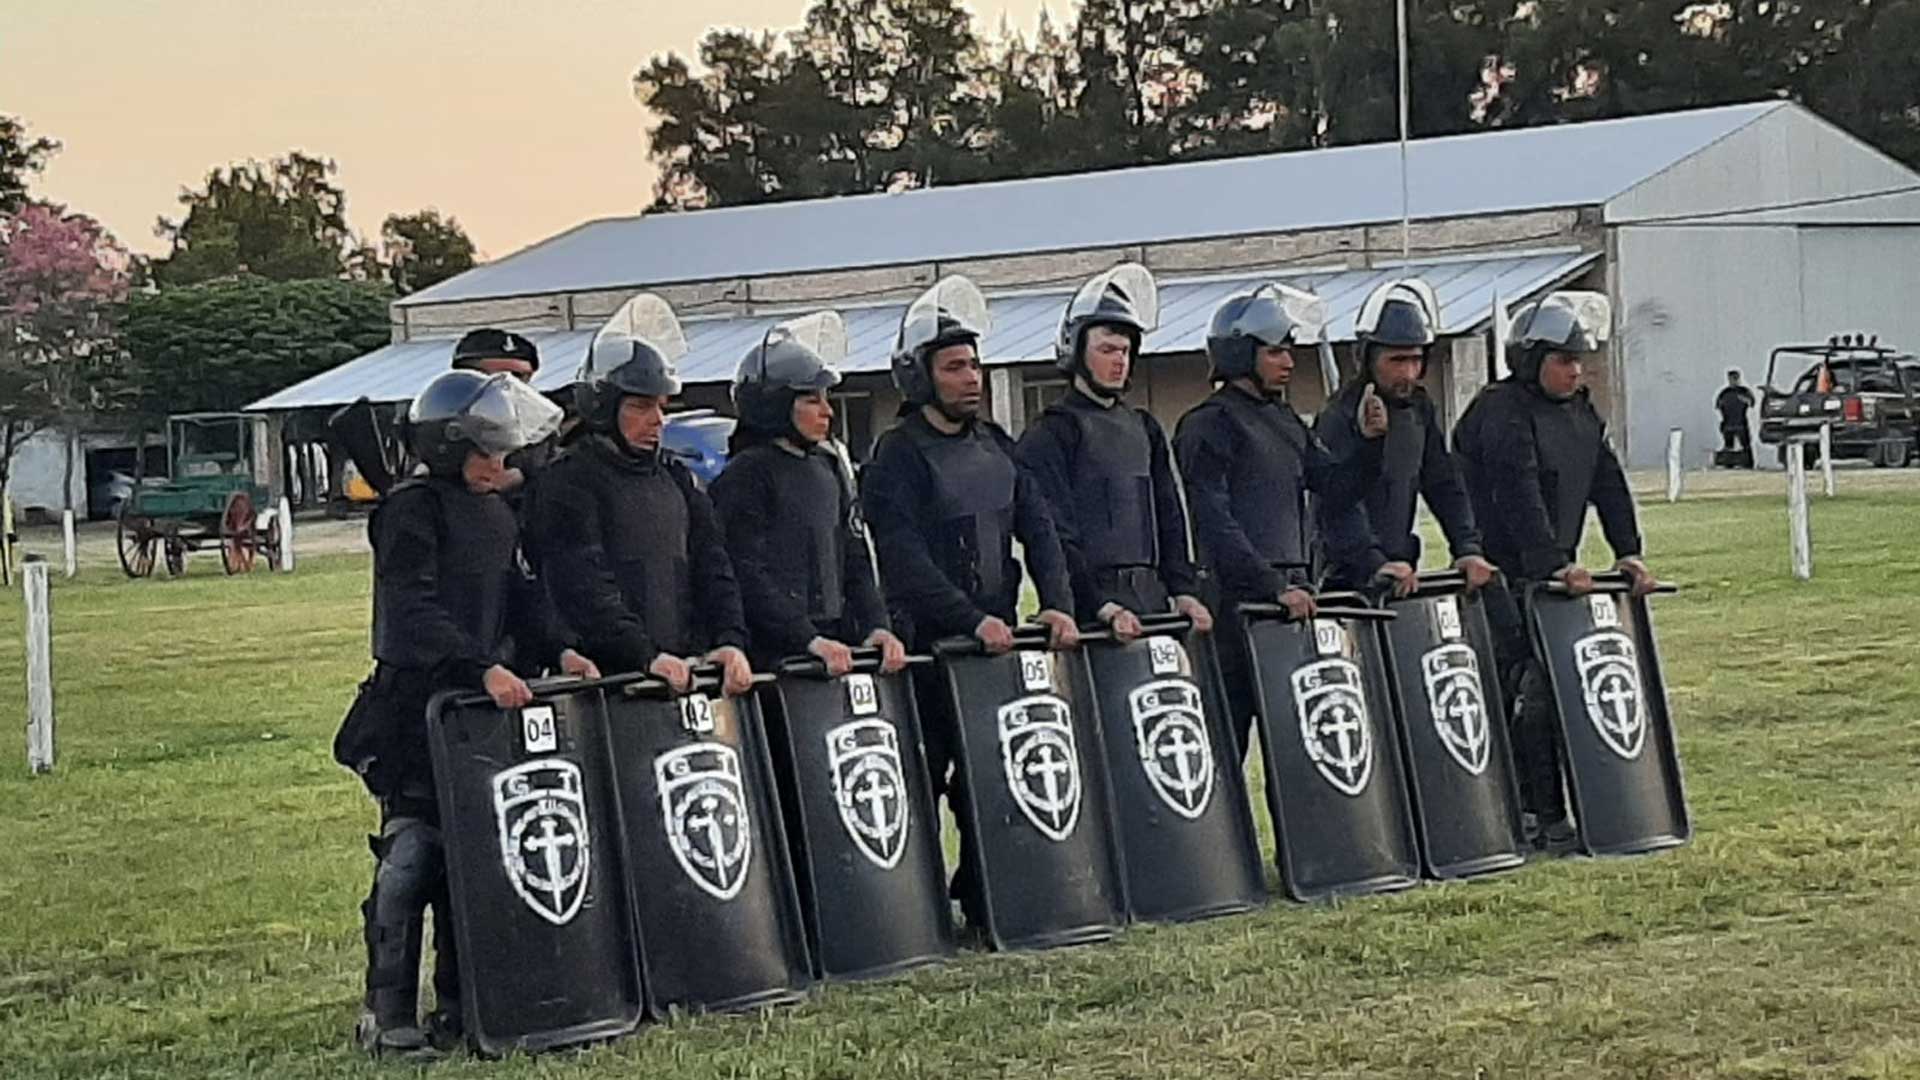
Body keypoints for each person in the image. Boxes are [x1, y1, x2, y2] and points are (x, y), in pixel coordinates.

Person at [331, 369, 597, 1059]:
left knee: (475, 856)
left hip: (478, 708)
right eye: (486, 450)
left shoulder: (495, 510)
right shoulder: (411, 509)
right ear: (451, 447)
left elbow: (519, 595)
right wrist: (476, 666)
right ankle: (387, 1013)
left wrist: (561, 649)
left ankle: (461, 1002)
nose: (498, 462)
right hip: (415, 707)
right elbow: (412, 610)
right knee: (413, 853)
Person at [860, 275, 1079, 927]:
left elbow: (1038, 527)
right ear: (920, 376)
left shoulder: (996, 444)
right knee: (922, 781)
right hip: (927, 649)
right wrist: (969, 619)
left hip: (993, 643)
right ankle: (915, 917)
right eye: (955, 367)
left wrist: (1057, 602)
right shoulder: (897, 456)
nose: (971, 378)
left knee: (992, 777)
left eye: (975, 365)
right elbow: (903, 560)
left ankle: (989, 899)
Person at [1452, 290, 1658, 849]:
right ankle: (1527, 814)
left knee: (1556, 692)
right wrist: (1553, 563)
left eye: (1579, 361)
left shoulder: (1579, 412)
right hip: (1501, 578)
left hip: (1552, 579)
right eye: (1564, 360)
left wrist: (1628, 550)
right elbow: (1515, 492)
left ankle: (1564, 810)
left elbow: (1606, 480)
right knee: (1518, 695)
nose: (1576, 371)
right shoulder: (1499, 411)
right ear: (1531, 359)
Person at [1174, 284, 1387, 755]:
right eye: (1275, 352)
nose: (1289, 362)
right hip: (1235, 607)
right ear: (1240, 354)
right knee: (1225, 750)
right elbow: (1214, 521)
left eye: (1289, 350)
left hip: (1292, 600)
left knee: (1296, 750)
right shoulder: (1208, 424)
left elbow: (1335, 488)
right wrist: (1270, 586)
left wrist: (1369, 444)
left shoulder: (1285, 420)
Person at [527, 297, 755, 698]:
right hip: (608, 686)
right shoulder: (568, 481)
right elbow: (582, 583)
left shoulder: (675, 477)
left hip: (682, 674)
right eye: (640, 406)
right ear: (603, 407)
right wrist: (643, 655)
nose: (657, 420)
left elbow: (714, 565)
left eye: (661, 407)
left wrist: (729, 640)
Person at [1014, 264, 1212, 639]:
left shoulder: (1144, 427)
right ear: (1076, 351)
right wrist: (1099, 605)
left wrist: (1184, 590)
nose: (1119, 360)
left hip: (1154, 604)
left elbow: (1169, 517)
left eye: (1125, 350)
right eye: (1107, 350)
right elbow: (1054, 534)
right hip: (1093, 617)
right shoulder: (1050, 433)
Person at [709, 312, 907, 675]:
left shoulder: (828, 466)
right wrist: (806, 638)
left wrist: (876, 626)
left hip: (836, 650)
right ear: (776, 403)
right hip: (778, 661)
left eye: (825, 398)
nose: (827, 411)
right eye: (812, 400)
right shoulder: (746, 474)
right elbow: (746, 573)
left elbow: (854, 557)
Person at [1314, 279, 1496, 596]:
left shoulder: (1419, 409)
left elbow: (1443, 483)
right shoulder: (1338, 417)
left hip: (1401, 575)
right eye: (1397, 361)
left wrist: (1467, 547)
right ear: (1368, 359)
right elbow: (1336, 505)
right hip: (1345, 584)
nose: (1409, 373)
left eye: (1416, 359)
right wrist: (1372, 562)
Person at [1714, 369, 1756, 468]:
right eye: (1731, 379)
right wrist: (1722, 420)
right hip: (1728, 423)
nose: (1733, 381)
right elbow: (1718, 406)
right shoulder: (1724, 393)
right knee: (1729, 445)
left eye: (1735, 378)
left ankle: (1749, 465)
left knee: (1746, 445)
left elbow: (1752, 403)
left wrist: (1743, 399)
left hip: (1741, 423)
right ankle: (1729, 464)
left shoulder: (1744, 391)